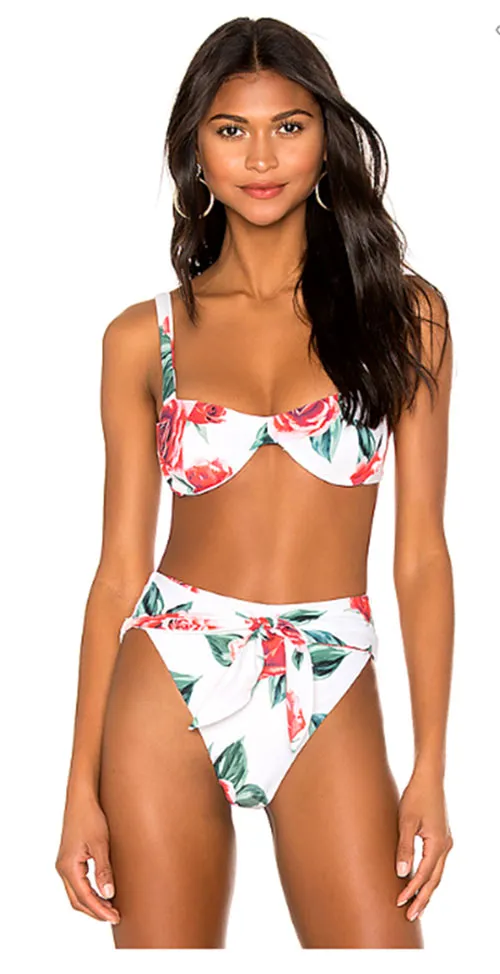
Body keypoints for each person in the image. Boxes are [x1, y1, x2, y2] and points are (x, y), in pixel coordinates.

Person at [55, 16, 454, 949]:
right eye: (232, 129)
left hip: (329, 664)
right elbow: (117, 571)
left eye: (290, 126)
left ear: (327, 139)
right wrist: (78, 785)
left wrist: (431, 766)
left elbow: (423, 557)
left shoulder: (404, 315)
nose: (262, 157)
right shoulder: (142, 337)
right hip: (171, 668)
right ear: (195, 148)